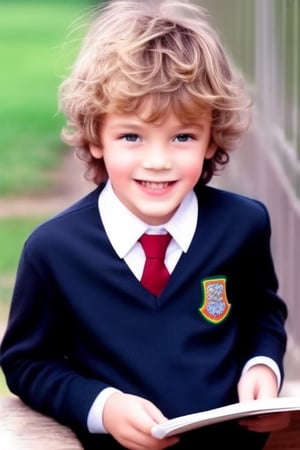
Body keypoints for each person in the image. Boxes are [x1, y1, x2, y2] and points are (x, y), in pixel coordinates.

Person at [0, 1, 289, 449]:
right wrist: (102, 406)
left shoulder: (244, 224)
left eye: (182, 137)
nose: (158, 161)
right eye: (131, 136)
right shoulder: (54, 250)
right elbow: (27, 362)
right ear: (96, 137)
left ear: (212, 138)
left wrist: (262, 366)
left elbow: (262, 315)